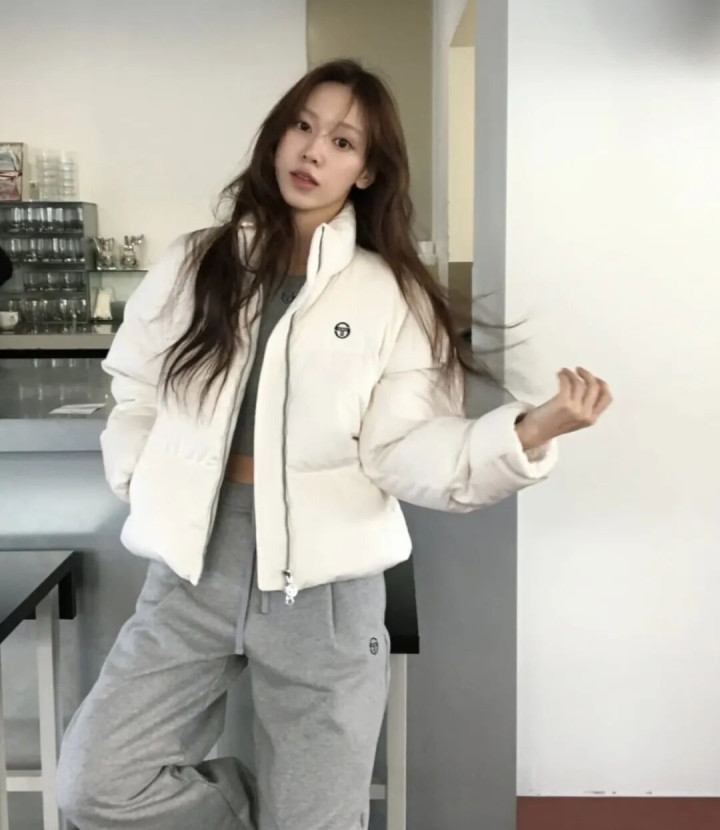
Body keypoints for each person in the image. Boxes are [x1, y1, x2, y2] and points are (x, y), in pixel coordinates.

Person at [56, 60, 612, 830]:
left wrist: (527, 433)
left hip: (324, 592)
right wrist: (140, 476)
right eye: (303, 126)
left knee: (317, 819)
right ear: (278, 134)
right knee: (96, 787)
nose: (313, 150)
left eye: (343, 142)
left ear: (366, 171)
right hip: (192, 569)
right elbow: (136, 387)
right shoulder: (194, 262)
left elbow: (405, 447)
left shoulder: (390, 294)